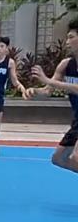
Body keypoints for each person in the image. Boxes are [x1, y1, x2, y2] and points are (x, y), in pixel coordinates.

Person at [25, 18, 78, 175]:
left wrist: (48, 80)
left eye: (71, 37)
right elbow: (48, 90)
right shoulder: (66, 64)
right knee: (59, 159)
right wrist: (35, 92)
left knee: (76, 156)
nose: (67, 42)